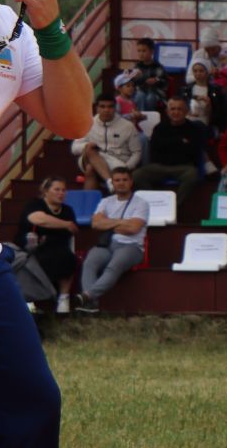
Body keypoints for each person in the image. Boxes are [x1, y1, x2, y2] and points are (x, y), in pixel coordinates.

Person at [70, 167, 148, 313]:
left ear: (131, 182)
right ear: (112, 182)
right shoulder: (106, 201)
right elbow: (95, 224)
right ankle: (91, 304)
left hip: (131, 246)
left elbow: (133, 229)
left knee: (113, 266)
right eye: (117, 180)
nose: (121, 183)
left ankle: (87, 296)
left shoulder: (141, 203)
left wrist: (108, 223)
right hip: (107, 244)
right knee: (89, 263)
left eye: (125, 180)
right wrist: (121, 222)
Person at [137, 94, 210, 205]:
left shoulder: (194, 129)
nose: (176, 112)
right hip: (160, 166)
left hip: (183, 167)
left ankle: (173, 205)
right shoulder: (159, 128)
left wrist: (170, 145)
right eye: (173, 109)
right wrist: (180, 142)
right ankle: (155, 200)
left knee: (192, 175)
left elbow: (193, 152)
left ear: (186, 111)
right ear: (167, 111)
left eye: (180, 109)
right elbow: (156, 150)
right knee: (137, 175)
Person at [23, 175, 79, 313]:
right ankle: (30, 300)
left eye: (63, 190)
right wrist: (65, 224)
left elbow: (73, 230)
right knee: (32, 260)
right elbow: (38, 219)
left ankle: (63, 298)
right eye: (57, 189)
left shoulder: (67, 210)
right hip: (33, 244)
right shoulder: (35, 204)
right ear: (46, 191)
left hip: (58, 246)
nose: (61, 193)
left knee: (68, 258)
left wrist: (66, 226)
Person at [74, 93, 142, 189]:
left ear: (115, 108)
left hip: (119, 164)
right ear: (97, 108)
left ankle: (97, 195)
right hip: (94, 157)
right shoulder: (87, 124)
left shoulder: (127, 126)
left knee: (90, 169)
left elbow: (137, 152)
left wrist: (126, 168)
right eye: (102, 106)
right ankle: (111, 183)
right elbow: (74, 148)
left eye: (110, 107)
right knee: (89, 149)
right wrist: (87, 145)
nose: (106, 110)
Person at [116, 37, 166, 113]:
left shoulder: (158, 66)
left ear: (152, 52)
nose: (141, 54)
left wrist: (156, 80)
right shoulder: (137, 66)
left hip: (154, 91)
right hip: (140, 90)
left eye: (144, 51)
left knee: (151, 98)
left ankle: (149, 118)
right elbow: (132, 82)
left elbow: (163, 80)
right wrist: (134, 78)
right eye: (139, 51)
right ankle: (140, 116)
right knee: (140, 96)